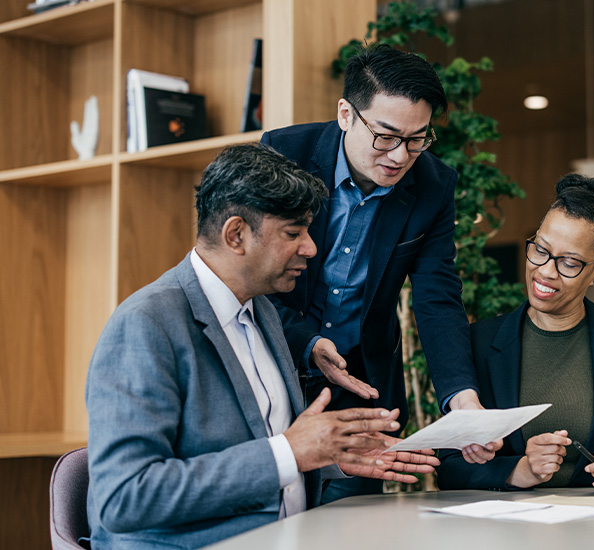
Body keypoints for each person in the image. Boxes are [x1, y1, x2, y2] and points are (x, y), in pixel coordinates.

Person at [85, 143, 439, 549]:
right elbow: (124, 498)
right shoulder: (145, 325)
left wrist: (332, 456)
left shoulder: (264, 312)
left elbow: (267, 454)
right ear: (236, 234)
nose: (310, 248)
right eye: (293, 233)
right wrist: (291, 452)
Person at [261, 44, 495, 502]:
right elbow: (252, 281)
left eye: (417, 139)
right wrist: (307, 343)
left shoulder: (432, 184)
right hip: (275, 364)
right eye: (386, 136)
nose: (400, 156)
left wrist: (462, 397)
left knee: (350, 521)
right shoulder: (284, 154)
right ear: (346, 114)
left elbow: (437, 296)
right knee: (271, 509)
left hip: (361, 382)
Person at [436, 174, 594, 493]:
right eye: (540, 250)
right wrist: (518, 470)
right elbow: (449, 467)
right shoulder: (479, 341)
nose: (546, 271)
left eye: (570, 263)